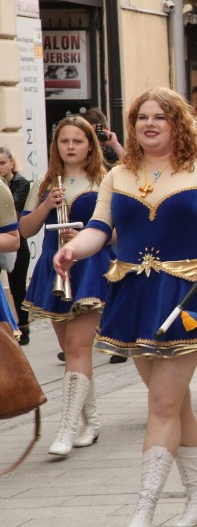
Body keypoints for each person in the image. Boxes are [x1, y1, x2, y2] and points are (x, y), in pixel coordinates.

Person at [54, 87, 197, 526]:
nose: (149, 123)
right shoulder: (117, 175)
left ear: (176, 122)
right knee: (174, 405)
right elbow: (99, 229)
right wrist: (74, 252)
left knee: (162, 405)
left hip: (186, 296)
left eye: (159, 117)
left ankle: (143, 511)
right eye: (142, 117)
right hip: (134, 297)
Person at [20, 116, 113, 457]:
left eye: (78, 140)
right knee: (74, 351)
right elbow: (25, 230)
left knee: (76, 348)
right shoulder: (44, 183)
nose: (71, 147)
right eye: (64, 141)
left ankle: (66, 428)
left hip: (89, 268)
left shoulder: (105, 180)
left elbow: (120, 231)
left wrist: (87, 236)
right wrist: (46, 204)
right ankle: (91, 421)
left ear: (90, 145)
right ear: (56, 146)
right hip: (52, 268)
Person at [0, 146, 31, 345]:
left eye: (3, 163)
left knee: (18, 288)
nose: (0, 167)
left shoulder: (19, 184)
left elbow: (16, 209)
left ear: (12, 163)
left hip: (17, 245)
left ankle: (24, 328)